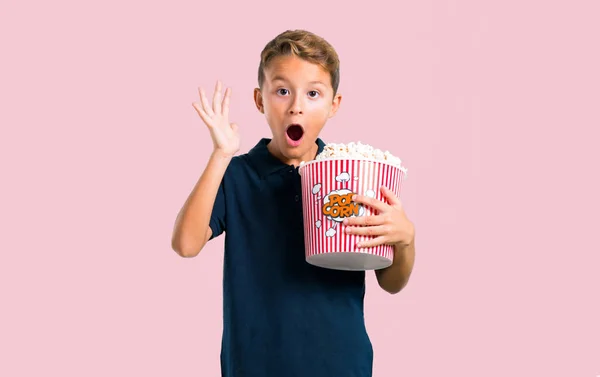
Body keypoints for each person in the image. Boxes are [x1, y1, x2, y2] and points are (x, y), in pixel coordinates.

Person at [171, 29, 416, 377]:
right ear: (260, 100)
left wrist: (405, 238)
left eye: (313, 93)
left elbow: (391, 282)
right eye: (282, 91)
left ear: (334, 105)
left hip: (343, 366)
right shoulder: (238, 175)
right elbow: (185, 244)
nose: (296, 105)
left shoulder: (355, 174)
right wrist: (221, 155)